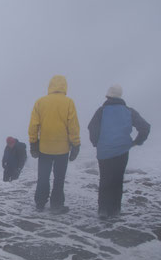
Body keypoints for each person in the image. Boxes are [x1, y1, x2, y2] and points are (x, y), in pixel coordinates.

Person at [88, 84, 150, 219]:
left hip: (104, 151)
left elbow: (92, 127)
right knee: (117, 180)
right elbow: (145, 127)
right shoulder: (129, 111)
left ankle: (103, 210)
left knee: (104, 179)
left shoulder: (101, 111)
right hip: (122, 151)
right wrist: (137, 142)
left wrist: (96, 143)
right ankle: (115, 210)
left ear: (108, 96)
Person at [28, 75, 80, 214]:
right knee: (59, 178)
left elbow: (34, 125)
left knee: (43, 177)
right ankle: (56, 205)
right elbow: (73, 126)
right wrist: (76, 145)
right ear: (65, 86)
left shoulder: (40, 102)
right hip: (62, 149)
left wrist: (33, 143)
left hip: (44, 148)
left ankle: (40, 203)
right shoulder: (69, 102)